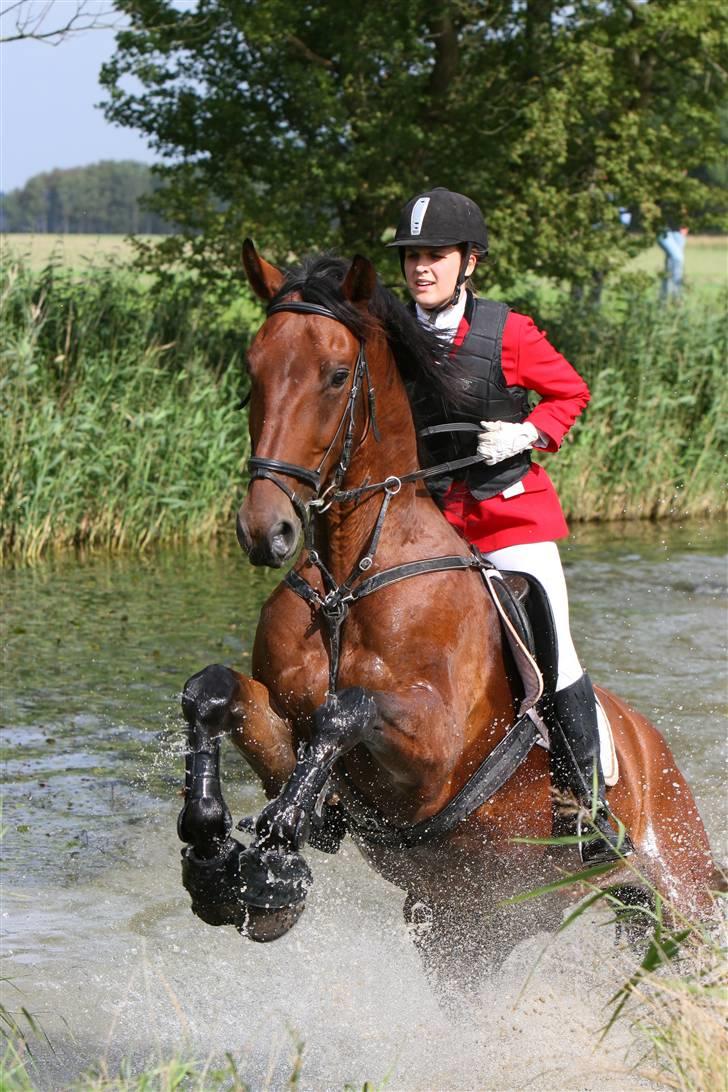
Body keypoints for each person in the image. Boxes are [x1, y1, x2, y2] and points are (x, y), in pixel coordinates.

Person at [387, 187, 633, 864]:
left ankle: (588, 817)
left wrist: (529, 431)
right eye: (411, 257)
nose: (420, 268)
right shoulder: (390, 333)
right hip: (430, 524)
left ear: (469, 262)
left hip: (508, 516)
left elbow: (571, 393)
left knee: (556, 662)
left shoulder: (509, 332)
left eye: (434, 255)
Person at [657, 226, 688, 301]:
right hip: (665, 231)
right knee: (677, 258)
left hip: (679, 233)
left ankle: (665, 299)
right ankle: (675, 298)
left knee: (672, 265)